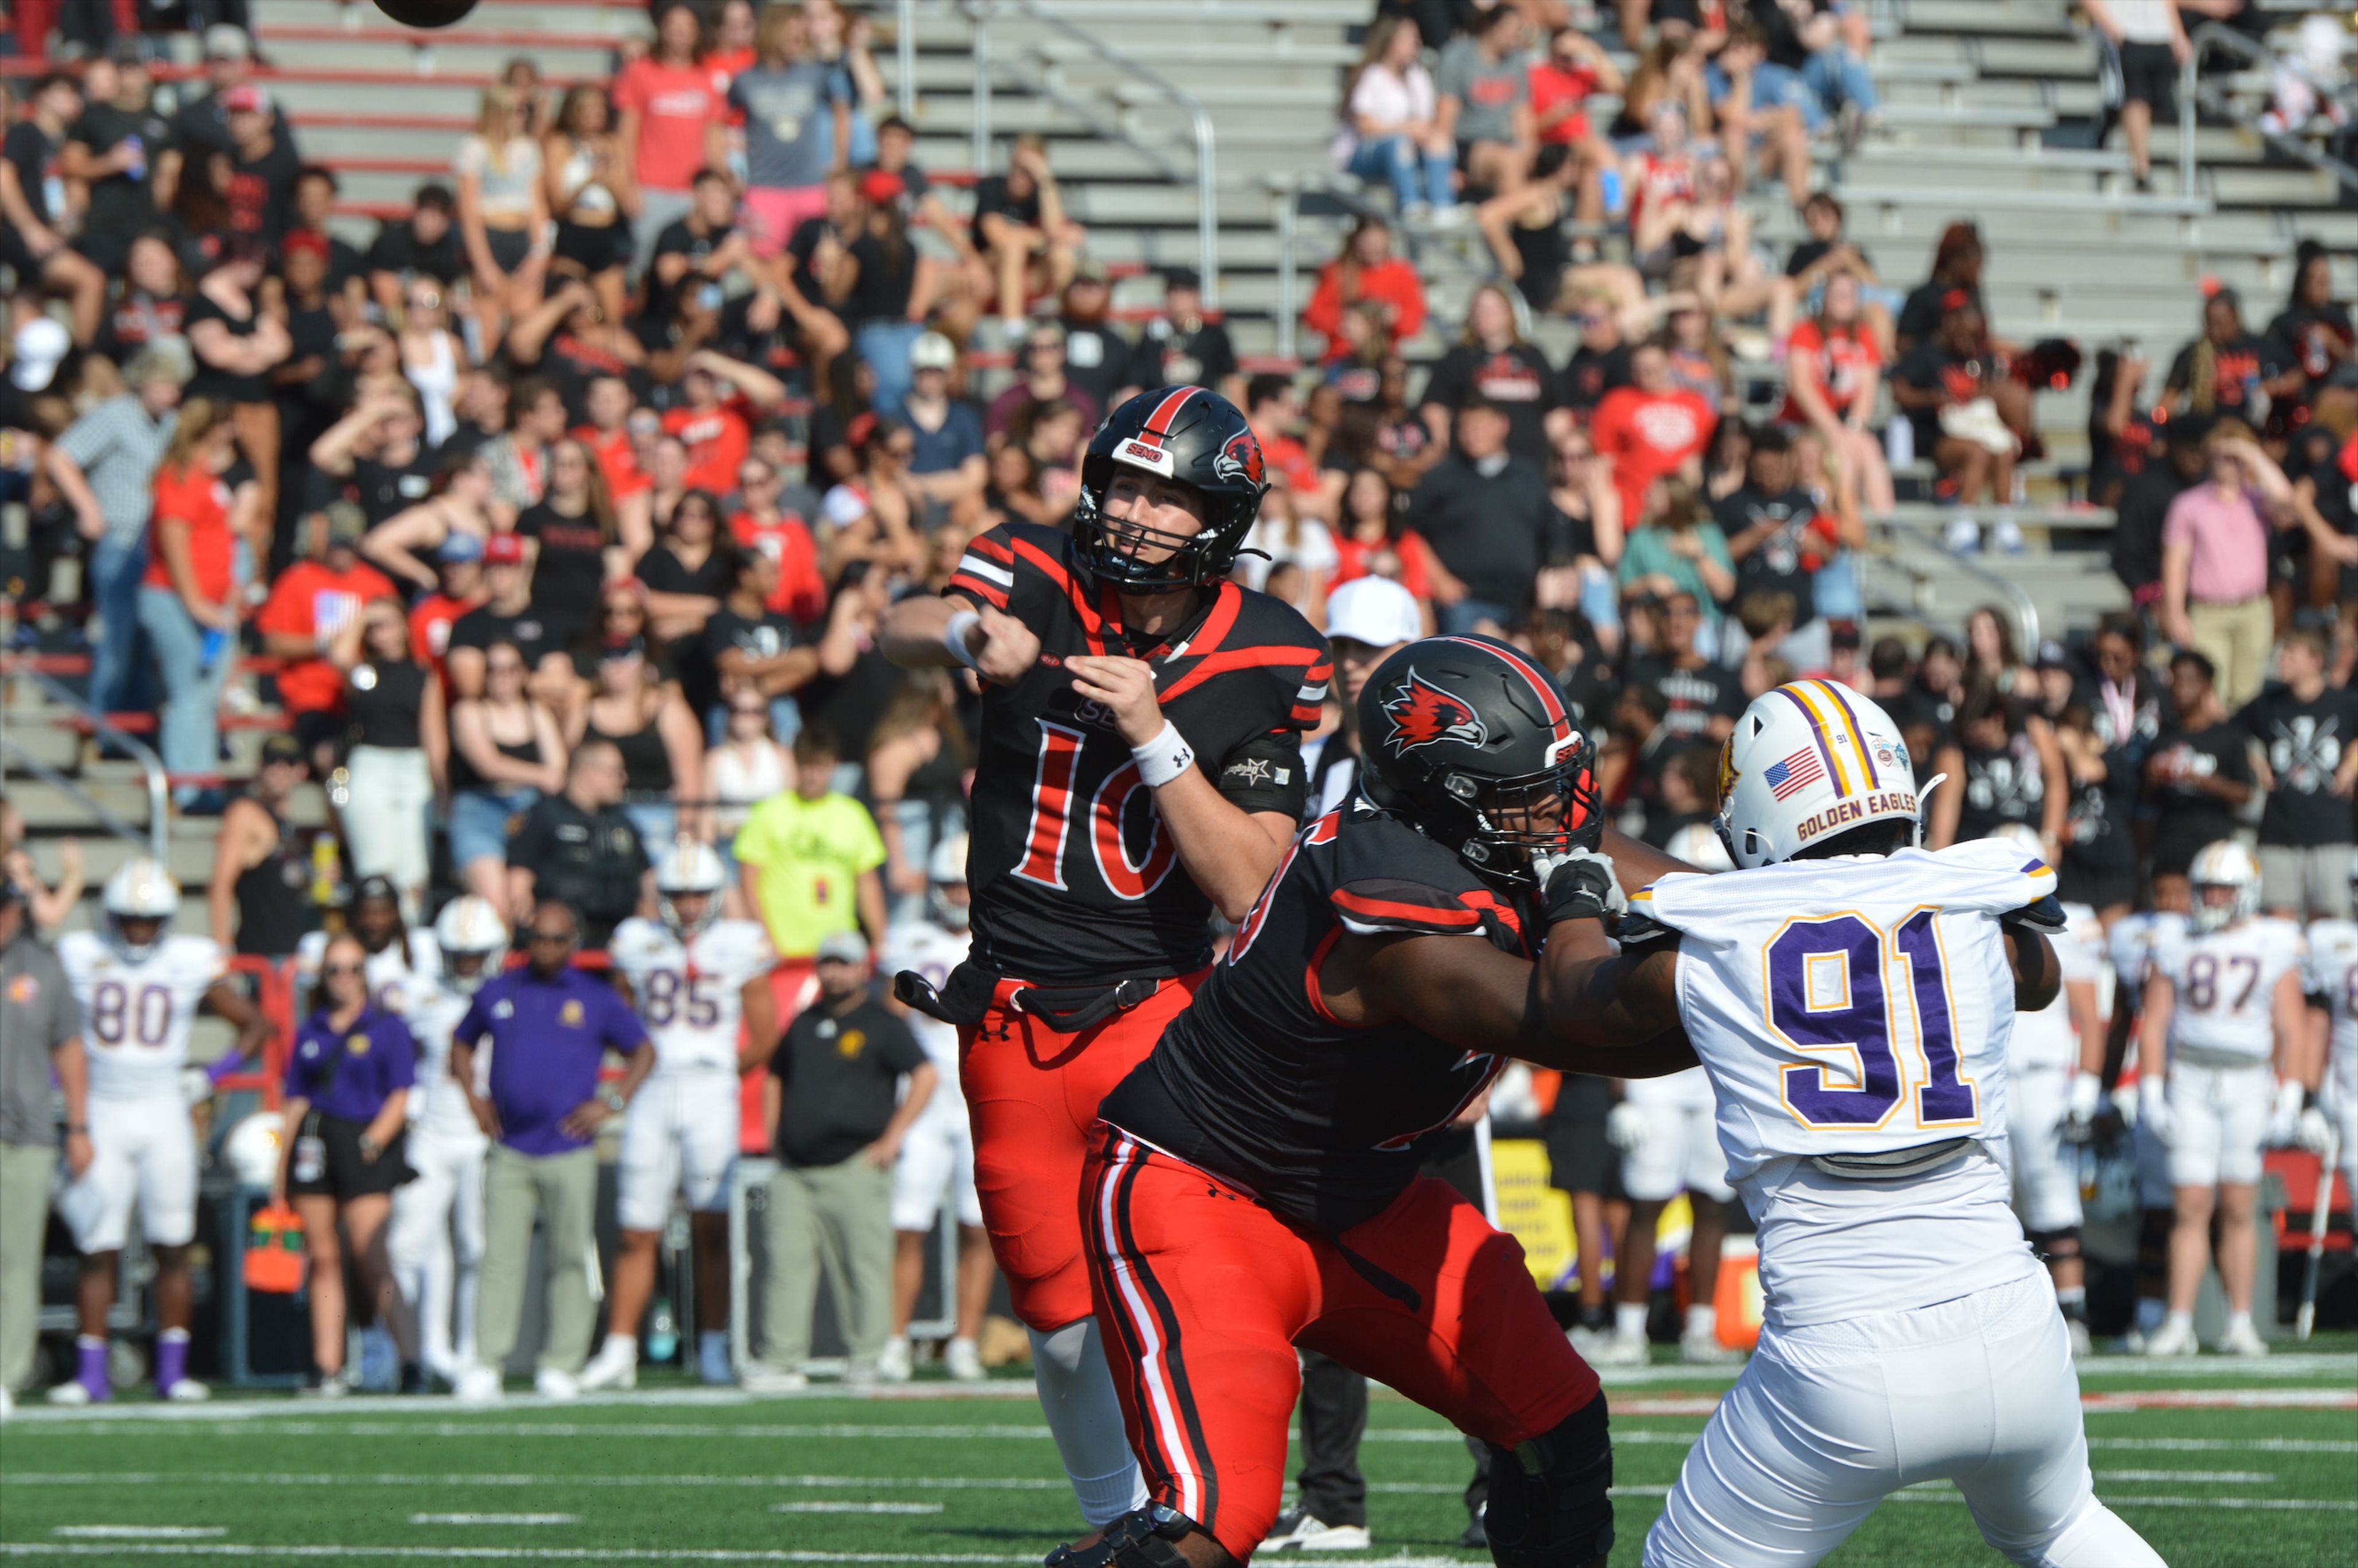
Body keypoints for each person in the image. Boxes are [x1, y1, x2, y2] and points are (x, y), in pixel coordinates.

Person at [1062, 635, 1696, 1568]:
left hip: (1362, 1195)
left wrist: (1811, 913)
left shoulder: (1494, 825)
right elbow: (1580, 1025)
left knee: (1557, 1424)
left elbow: (1702, 896)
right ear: (1445, 796)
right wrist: (1740, 1001)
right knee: (1208, 1525)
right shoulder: (1390, 895)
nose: (1562, 813)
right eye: (1527, 794)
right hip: (1202, 1191)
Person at [1547, 679, 2166, 1568]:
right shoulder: (1976, 903)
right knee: (2063, 1527)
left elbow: (1575, 1002)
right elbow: (2036, 974)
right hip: (2014, 1321)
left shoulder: (1717, 933)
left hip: (1839, 1349)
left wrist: (1573, 888)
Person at [876, 384, 1329, 1533]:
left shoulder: (1267, 649)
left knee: (1189, 1280)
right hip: (1011, 1018)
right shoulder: (1030, 570)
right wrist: (975, 636)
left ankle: (1214, 1498)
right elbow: (904, 619)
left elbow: (1249, 885)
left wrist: (1154, 732)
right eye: (1123, 482)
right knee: (1063, 1322)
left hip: (1160, 1013)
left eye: (1165, 496)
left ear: (1218, 517)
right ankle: (1121, 1520)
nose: (1132, 511)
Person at [48, 856, 270, 1408]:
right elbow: (47, 1026)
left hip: (165, 1108)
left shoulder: (187, 959)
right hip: (102, 1107)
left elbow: (257, 1024)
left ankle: (173, 1372)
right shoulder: (82, 954)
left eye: (149, 920)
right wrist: (61, 1079)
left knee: (174, 1242)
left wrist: (209, 1079)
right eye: (129, 918)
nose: (139, 930)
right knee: (96, 1245)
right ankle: (90, 1372)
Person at [583, 844, 779, 1392]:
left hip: (710, 1087)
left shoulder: (740, 943)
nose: (688, 905)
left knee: (712, 1227)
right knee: (635, 1227)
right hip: (652, 1090)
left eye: (696, 894)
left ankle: (714, 1347)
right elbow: (620, 1024)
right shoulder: (636, 941)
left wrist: (718, 1073)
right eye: (678, 895)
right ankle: (620, 1350)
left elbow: (764, 1037)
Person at [449, 901, 655, 1402]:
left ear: (573, 943)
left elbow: (643, 1050)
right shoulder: (500, 990)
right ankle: (487, 1360)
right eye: (539, 938)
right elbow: (460, 1042)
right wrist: (474, 1097)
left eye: (558, 939)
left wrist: (612, 1101)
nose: (547, 948)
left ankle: (562, 1361)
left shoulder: (593, 997)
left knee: (569, 1256)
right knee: (499, 1257)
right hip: (510, 1146)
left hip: (570, 1146)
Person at [2137, 840, 2308, 1358]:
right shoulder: (2175, 938)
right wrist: (2151, 1088)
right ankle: (2180, 1321)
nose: (2209, 898)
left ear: (2246, 892)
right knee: (2189, 1203)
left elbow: (2293, 1026)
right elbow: (2156, 1020)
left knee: (2238, 1203)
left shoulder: (2271, 941)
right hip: (2191, 1076)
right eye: (2205, 888)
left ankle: (2239, 1322)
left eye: (2221, 889)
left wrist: (2293, 1092)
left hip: (2249, 1082)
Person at [746, 931, 935, 1390]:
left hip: (855, 1163)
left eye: (844, 964)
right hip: (797, 1168)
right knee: (786, 1265)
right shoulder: (805, 1021)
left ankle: (867, 1357)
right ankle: (782, 1358)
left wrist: (893, 1138)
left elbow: (925, 1075)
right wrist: (777, 1137)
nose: (835, 972)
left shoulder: (881, 1022)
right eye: (828, 963)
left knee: (863, 1265)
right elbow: (776, 1076)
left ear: (862, 969)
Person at [1589, 826, 1740, 1370]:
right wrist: (1619, 1093)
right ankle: (1629, 1329)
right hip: (1654, 1077)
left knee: (1712, 1202)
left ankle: (1701, 1327)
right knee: (1647, 1201)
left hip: (1710, 1073)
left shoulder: (1743, 926)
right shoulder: (1643, 921)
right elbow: (1611, 1000)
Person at [276, 931, 424, 1396]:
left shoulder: (386, 1026)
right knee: (322, 1258)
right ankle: (328, 1364)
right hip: (316, 1143)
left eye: (354, 968)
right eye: (335, 969)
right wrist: (279, 1171)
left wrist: (375, 1139)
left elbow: (401, 1092)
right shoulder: (313, 1029)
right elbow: (296, 1102)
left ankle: (411, 1358)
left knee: (370, 1254)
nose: (344, 978)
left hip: (364, 1141)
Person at [1980, 823, 2107, 1355]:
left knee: (2053, 1192)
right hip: (1987, 1075)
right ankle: (2001, 1317)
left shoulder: (2070, 921)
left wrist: (2087, 1091)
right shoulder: (1967, 918)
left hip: (2045, 1074)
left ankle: (2072, 1313)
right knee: (1990, 1198)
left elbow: (2089, 1016)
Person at [877, 835, 994, 1384]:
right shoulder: (910, 937)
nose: (953, 893)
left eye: (960, 883)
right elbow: (887, 1019)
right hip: (924, 1095)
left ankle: (965, 1341)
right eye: (947, 883)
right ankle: (895, 1339)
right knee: (908, 1223)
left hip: (978, 1090)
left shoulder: (997, 937)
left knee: (978, 1225)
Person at [381, 895, 506, 1388]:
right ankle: (422, 1350)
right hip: (430, 1132)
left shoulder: (511, 994)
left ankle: (473, 1353)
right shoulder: (418, 993)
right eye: (460, 955)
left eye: (477, 955)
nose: (468, 965)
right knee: (408, 1244)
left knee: (478, 1247)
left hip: (485, 1137)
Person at [41, 342, 192, 722]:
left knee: (146, 643)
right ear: (144, 381)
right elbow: (62, 457)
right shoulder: (115, 415)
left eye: (176, 386)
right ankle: (106, 729)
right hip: (121, 541)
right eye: (164, 384)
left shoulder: (172, 424)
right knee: (117, 642)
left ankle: (136, 727)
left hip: (158, 547)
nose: (171, 394)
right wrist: (89, 509)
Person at [1, 875, 91, 1420]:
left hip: (27, 1132)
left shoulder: (45, 967)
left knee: (16, 1260)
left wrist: (77, 1126)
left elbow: (70, 1049)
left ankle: (6, 1374)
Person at [139, 400, 255, 813]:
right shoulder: (181, 476)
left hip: (211, 603)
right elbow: (174, 542)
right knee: (189, 694)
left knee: (205, 696)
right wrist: (196, 602)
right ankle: (187, 787)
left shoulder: (209, 479)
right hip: (176, 599)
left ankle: (201, 779)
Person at [2160, 421, 2297, 710]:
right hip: (2209, 612)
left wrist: (2252, 454)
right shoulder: (2189, 504)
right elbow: (2176, 562)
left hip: (2253, 609)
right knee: (2211, 693)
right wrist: (2174, 611)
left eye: (2237, 458)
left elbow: (2286, 500)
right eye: (2224, 456)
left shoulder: (2258, 501)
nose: (2230, 464)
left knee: (2249, 695)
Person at [732, 727, 889, 960]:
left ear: (835, 765)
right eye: (806, 766)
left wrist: (880, 940)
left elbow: (868, 884)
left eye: (821, 766)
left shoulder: (853, 815)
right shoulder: (768, 813)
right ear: (795, 764)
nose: (813, 775)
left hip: (838, 953)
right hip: (782, 953)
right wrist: (765, 937)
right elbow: (748, 883)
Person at [1404, 397, 1554, 636]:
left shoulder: (1528, 474)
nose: (1471, 435)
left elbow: (1551, 528)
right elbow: (1411, 533)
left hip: (1524, 604)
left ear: (1502, 425)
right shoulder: (1442, 477)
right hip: (1465, 604)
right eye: (1465, 428)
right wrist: (1440, 579)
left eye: (1479, 426)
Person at [2243, 627, 2358, 920]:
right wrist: (2255, 757)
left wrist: (2352, 763)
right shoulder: (2268, 702)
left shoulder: (2344, 703)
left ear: (2316, 661)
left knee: (2329, 922)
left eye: (2291, 654)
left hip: (2332, 830)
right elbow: (2229, 731)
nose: (2283, 660)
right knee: (2279, 924)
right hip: (2279, 831)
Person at [504, 740, 652, 948]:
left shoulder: (623, 821)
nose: (623, 779)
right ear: (589, 773)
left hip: (618, 938)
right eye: (615, 772)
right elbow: (519, 887)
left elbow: (648, 881)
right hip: (563, 944)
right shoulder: (544, 816)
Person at [1333, 15, 1455, 220]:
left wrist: (1425, 136)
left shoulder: (1418, 76)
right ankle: (1410, 203)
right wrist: (1407, 129)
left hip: (1409, 152)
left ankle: (1443, 206)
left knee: (1440, 142)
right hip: (1365, 153)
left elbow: (1427, 121)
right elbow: (1366, 127)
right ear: (1390, 42)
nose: (1416, 45)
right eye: (1408, 39)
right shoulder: (1372, 76)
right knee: (1398, 144)